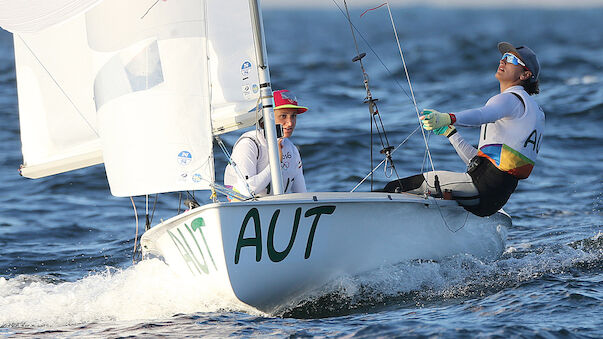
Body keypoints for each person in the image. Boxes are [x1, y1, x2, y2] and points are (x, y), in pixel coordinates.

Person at [383, 42, 545, 216]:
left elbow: (482, 114)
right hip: (494, 198)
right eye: (504, 57)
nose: (503, 61)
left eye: (512, 59)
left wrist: (449, 117)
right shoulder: (535, 111)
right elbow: (478, 163)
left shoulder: (509, 100)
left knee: (395, 188)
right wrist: (450, 132)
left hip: (480, 187)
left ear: (525, 74)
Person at [224, 89, 307, 198]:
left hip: (277, 210)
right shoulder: (249, 144)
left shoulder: (292, 149)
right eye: (283, 116)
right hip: (243, 210)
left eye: (293, 116)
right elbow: (246, 191)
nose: (290, 122)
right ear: (267, 117)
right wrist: (275, 162)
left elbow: (303, 195)